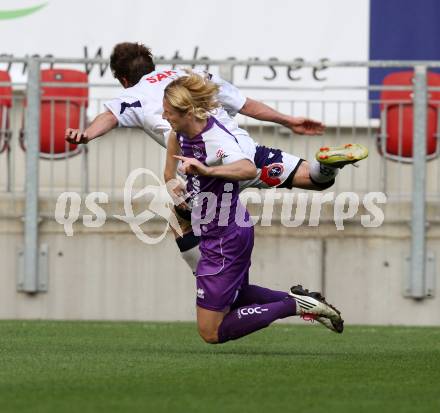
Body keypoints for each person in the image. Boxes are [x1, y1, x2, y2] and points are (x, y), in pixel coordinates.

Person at [65, 42, 368, 274]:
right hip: (246, 155)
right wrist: (288, 120)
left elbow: (108, 117)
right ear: (151, 63)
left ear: (122, 79)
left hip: (208, 172)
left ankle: (209, 280)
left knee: (179, 220)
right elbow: (246, 104)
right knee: (314, 181)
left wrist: (87, 134)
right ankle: (325, 165)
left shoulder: (132, 95)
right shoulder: (193, 77)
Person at [162, 73, 343, 343]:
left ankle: (295, 306)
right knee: (236, 294)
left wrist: (208, 169)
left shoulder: (215, 141)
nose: (164, 117)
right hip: (221, 228)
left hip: (225, 236)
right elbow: (169, 175)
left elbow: (247, 167)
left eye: (168, 113)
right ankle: (302, 300)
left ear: (187, 111)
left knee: (211, 331)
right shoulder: (180, 132)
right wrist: (176, 188)